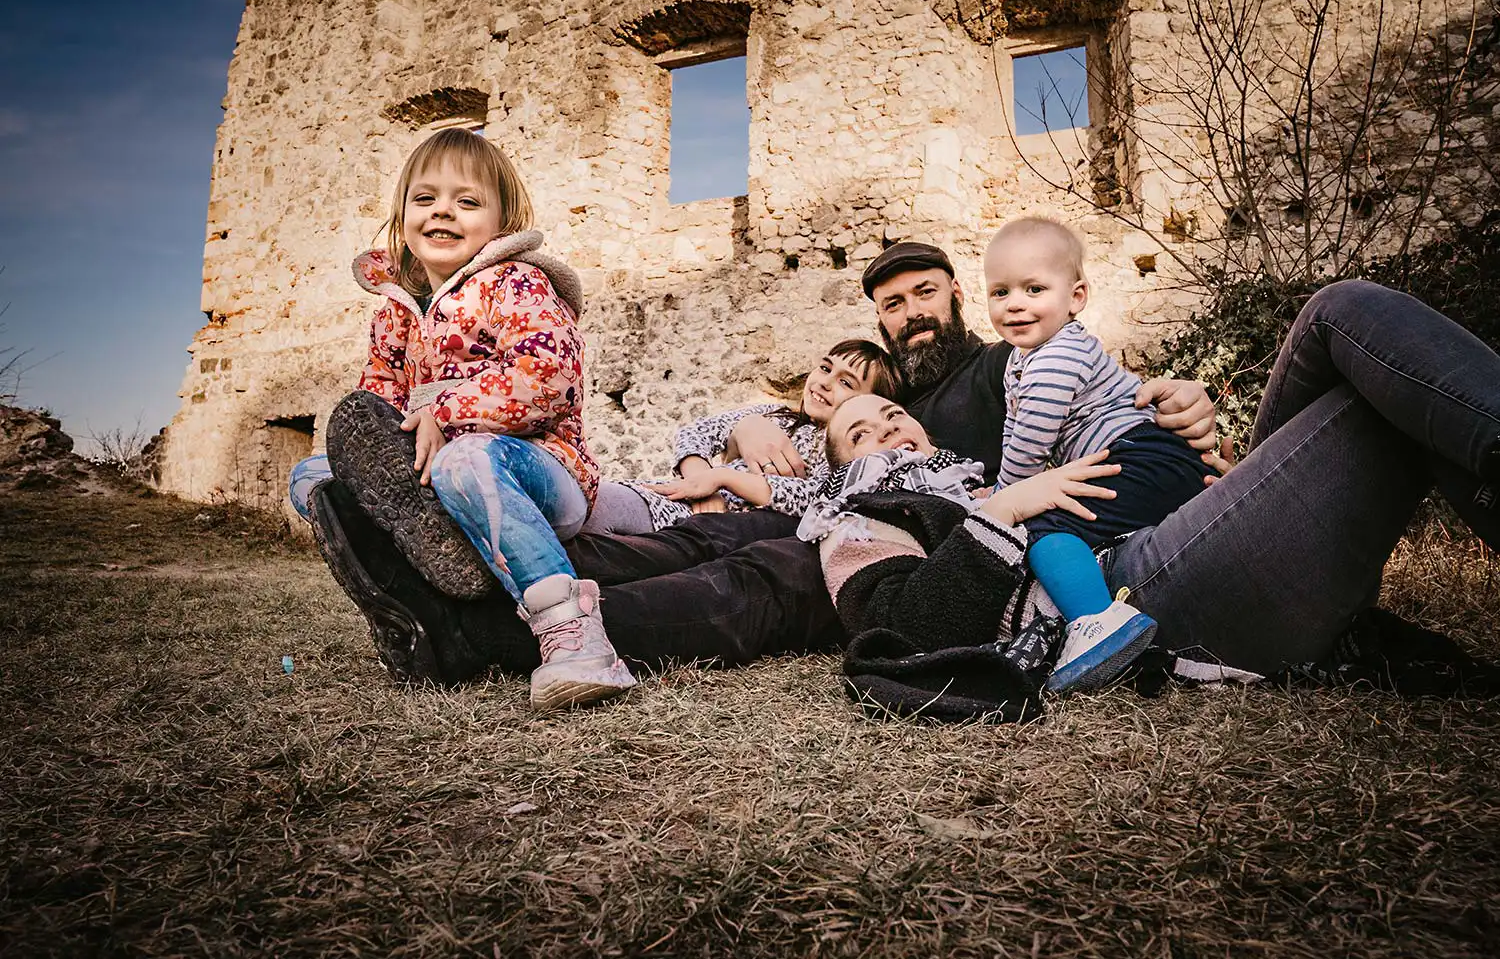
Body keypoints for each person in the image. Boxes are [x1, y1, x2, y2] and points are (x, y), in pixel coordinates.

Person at [306, 239, 1217, 687]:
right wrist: (750, 427)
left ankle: (472, 631)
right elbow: (770, 420)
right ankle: (456, 558)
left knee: (751, 576)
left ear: (958, 298)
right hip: (810, 501)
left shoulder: (1003, 364)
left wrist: (1176, 401)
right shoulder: (877, 385)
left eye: (925, 294)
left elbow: (1103, 387)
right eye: (891, 305)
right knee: (686, 542)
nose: (911, 313)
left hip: (895, 533)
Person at [289, 126, 634, 712]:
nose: (442, 211)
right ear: (401, 217)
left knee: (465, 458)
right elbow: (378, 409)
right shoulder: (396, 312)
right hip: (432, 471)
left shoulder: (516, 284)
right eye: (425, 199)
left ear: (503, 220)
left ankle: (576, 637)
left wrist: (447, 414)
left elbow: (546, 376)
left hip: (539, 470)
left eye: (467, 201)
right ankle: (442, 554)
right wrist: (383, 440)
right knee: (313, 475)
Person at [983, 217, 1208, 691]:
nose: (1015, 304)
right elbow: (1015, 429)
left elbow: (1031, 442)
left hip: (1142, 455)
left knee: (1044, 524)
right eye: (1000, 292)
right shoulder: (1023, 358)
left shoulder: (1055, 357)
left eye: (1034, 289)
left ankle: (1095, 624)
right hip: (1143, 458)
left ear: (1076, 297)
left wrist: (1001, 505)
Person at [800, 394, 1124, 718]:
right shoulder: (855, 521)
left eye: (894, 413)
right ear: (841, 472)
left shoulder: (971, 486)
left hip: (1116, 551)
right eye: (859, 435)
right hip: (1099, 595)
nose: (887, 428)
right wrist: (1002, 511)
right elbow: (906, 630)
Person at [592, 339, 900, 533]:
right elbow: (697, 431)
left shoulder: (839, 452)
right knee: (594, 500)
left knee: (591, 511)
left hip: (716, 527)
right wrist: (701, 481)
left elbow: (813, 497)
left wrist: (725, 478)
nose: (825, 382)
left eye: (846, 383)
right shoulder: (774, 413)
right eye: (824, 368)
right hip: (681, 501)